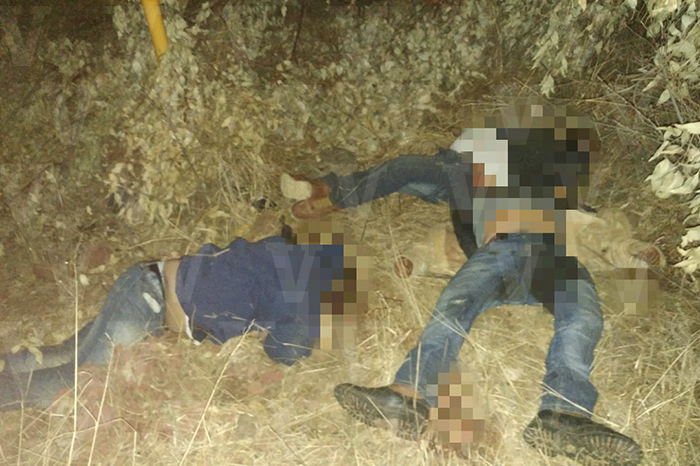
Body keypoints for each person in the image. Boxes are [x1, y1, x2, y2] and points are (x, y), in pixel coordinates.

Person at [281, 104, 645, 466]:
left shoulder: (567, 202)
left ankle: (564, 416)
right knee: (453, 307)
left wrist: (635, 252)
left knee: (582, 315)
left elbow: (609, 237)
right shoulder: (476, 182)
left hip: (551, 257)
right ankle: (407, 397)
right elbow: (419, 191)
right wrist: (412, 256)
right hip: (496, 253)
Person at [0, 214, 364, 411]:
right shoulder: (302, 299)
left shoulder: (282, 251)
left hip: (145, 282)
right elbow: (286, 353)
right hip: (149, 302)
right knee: (76, 383)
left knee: (68, 355)